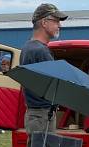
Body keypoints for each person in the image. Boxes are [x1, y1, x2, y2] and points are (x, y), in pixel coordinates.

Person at [22, 4, 67, 136]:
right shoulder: (41, 51)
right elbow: (55, 84)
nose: (60, 25)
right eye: (56, 21)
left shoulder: (28, 47)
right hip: (42, 115)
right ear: (44, 22)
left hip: (35, 114)